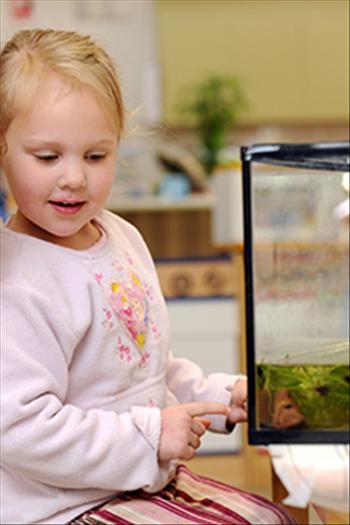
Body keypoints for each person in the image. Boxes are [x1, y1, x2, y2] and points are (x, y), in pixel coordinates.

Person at [0, 29, 296, 525]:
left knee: (274, 518)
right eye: (48, 157)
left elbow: (143, 369)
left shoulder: (121, 237)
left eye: (96, 155)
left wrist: (221, 396)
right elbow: (19, 428)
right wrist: (150, 436)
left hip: (134, 483)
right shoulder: (17, 281)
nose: (74, 177)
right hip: (62, 508)